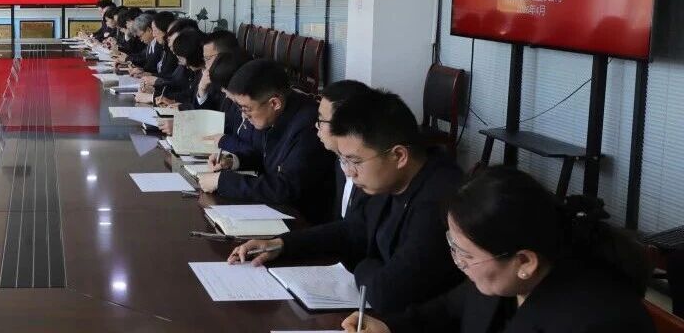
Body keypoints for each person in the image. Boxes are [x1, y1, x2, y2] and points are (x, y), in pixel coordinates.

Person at [227, 89, 465, 313]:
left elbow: (385, 293)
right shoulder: (390, 177)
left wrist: (364, 264)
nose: (349, 172)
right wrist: (280, 244)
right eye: (343, 160)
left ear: (399, 155)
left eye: (355, 161)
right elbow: (353, 230)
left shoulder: (440, 201)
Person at [342, 166, 654, 332]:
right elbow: (447, 310)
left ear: (525, 261)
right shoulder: (505, 276)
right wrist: (388, 326)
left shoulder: (599, 321)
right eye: (452, 245)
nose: (457, 262)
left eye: (466, 254)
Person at [196, 59, 336, 224]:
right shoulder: (275, 113)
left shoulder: (308, 126)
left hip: (302, 221)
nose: (243, 116)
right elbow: (263, 157)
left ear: (274, 103)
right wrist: (232, 161)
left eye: (246, 109)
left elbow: (286, 188)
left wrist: (222, 182)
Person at [317, 79, 374, 219]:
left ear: (345, 126)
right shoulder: (339, 159)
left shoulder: (374, 175)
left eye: (321, 120)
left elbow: (357, 228)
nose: (317, 126)